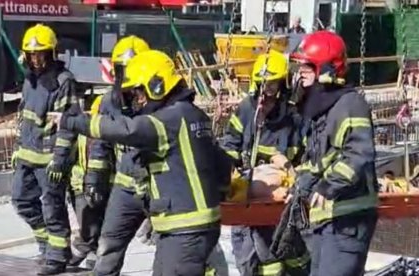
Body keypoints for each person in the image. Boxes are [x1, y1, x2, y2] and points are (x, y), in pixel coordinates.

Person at [54, 49, 232, 276]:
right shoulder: (194, 115)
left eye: (139, 94)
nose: (137, 102)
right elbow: (222, 163)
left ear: (157, 86)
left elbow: (127, 130)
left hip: (184, 229)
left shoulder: (167, 120)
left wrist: (71, 121)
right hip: (193, 227)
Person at [288, 30, 378, 276]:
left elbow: (359, 154)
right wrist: (300, 185)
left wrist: (328, 186)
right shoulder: (322, 109)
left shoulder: (350, 104)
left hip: (348, 217)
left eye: (307, 68)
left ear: (326, 70)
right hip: (328, 219)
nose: (300, 75)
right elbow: (319, 160)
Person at [221, 50, 309, 276]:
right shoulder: (247, 110)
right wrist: (226, 166)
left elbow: (308, 154)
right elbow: (231, 141)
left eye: (272, 84)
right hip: (248, 192)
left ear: (283, 83)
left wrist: (292, 171)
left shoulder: (294, 116)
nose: (266, 91)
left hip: (281, 198)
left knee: (283, 255)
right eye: (262, 83)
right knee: (246, 256)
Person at [10, 23, 81, 275]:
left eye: (41, 53)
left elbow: (68, 125)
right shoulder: (30, 81)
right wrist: (18, 149)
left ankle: (57, 257)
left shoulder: (64, 82)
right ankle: (46, 244)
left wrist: (60, 160)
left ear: (51, 53)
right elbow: (24, 119)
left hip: (50, 160)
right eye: (32, 54)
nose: (36, 59)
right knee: (21, 201)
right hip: (27, 156)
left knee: (53, 208)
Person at [86, 35, 155, 276]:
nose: (127, 77)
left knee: (177, 250)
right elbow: (101, 144)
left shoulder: (161, 102)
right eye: (122, 70)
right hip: (124, 188)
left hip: (158, 188)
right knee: (108, 247)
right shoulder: (109, 102)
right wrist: (94, 178)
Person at [67, 94, 111, 269]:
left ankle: (88, 255)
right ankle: (86, 252)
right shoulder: (83, 130)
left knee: (96, 224)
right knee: (87, 223)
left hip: (103, 185)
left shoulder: (108, 131)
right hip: (80, 185)